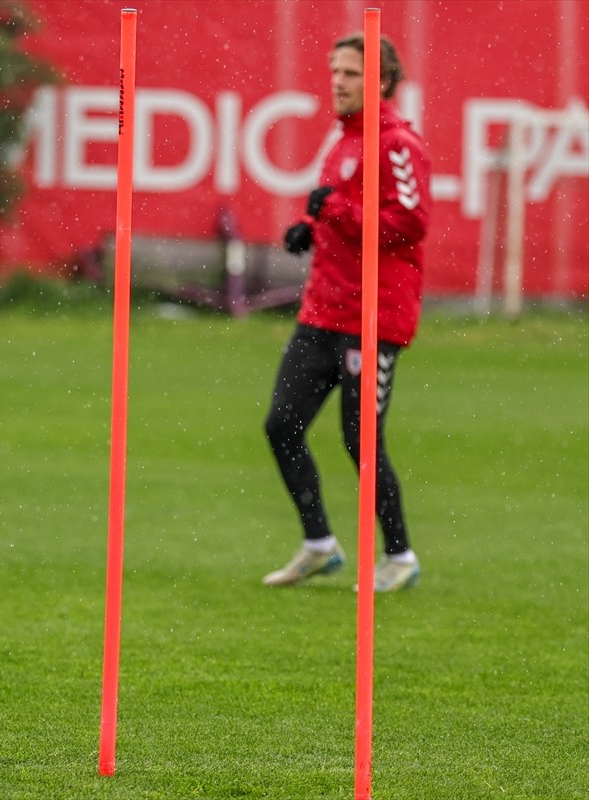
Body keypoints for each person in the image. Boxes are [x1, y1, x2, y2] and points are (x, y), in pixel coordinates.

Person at [262, 33, 430, 592]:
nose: (338, 81)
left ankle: (400, 556)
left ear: (380, 81)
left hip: (373, 320)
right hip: (323, 312)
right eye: (334, 70)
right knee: (282, 425)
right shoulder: (343, 140)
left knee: (360, 442)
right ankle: (319, 544)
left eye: (351, 73)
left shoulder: (398, 143)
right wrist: (309, 228)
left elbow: (408, 223)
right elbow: (343, 212)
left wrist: (332, 210)